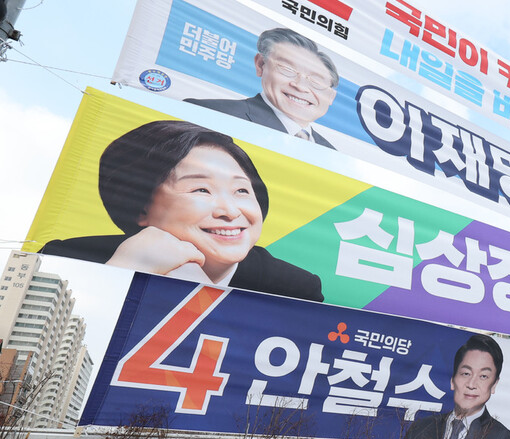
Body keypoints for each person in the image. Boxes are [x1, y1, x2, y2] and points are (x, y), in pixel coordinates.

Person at [41, 120, 323, 302]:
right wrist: (122, 272)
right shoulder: (71, 260)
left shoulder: (293, 289)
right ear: (141, 206)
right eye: (201, 190)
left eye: (241, 191)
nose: (229, 211)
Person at [185, 27, 340, 148]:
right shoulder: (207, 114)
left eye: (316, 81)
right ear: (261, 65)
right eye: (288, 70)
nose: (300, 87)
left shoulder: (333, 155)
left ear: (331, 97)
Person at [404, 334, 510, 439]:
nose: (471, 385)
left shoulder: (499, 435)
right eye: (466, 373)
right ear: (452, 380)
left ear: (494, 384)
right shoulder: (421, 426)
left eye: (483, 376)